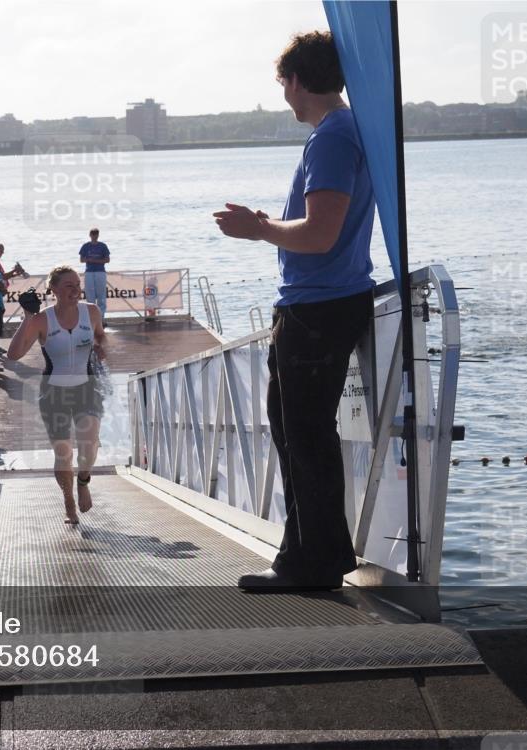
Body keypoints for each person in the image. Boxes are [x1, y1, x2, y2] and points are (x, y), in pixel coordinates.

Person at [213, 30, 375, 592]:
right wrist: (268, 226)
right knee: (296, 430)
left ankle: (315, 562)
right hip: (325, 302)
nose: (283, 92)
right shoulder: (345, 130)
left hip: (320, 307)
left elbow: (321, 234)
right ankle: (307, 554)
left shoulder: (331, 137)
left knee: (303, 432)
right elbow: (320, 228)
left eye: (283, 81)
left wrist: (258, 230)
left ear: (298, 81)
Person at [7, 266, 107, 525]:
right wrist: (28, 317)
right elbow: (14, 354)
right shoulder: (42, 319)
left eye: (78, 284)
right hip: (54, 392)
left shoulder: (92, 312)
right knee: (63, 453)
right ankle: (68, 502)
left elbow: (101, 336)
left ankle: (83, 480)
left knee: (89, 444)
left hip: (86, 388)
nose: (76, 290)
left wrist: (102, 347)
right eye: (69, 286)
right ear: (54, 290)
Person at [79, 228, 110, 320]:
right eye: (93, 234)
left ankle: (101, 317)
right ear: (90, 235)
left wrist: (96, 261)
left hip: (100, 271)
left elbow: (107, 259)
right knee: (90, 295)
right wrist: (89, 260)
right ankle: (91, 317)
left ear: (98, 235)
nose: (94, 236)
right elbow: (81, 259)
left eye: (96, 234)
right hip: (89, 272)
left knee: (101, 294)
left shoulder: (103, 246)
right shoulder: (85, 246)